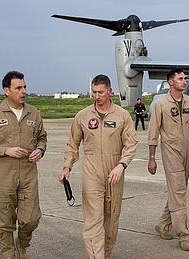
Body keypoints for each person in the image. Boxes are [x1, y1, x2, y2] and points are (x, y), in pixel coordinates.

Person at [58, 74, 138, 259]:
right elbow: (72, 144)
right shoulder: (83, 116)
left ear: (110, 91)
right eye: (94, 92)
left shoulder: (122, 115)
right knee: (93, 221)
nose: (97, 96)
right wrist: (67, 167)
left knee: (111, 220)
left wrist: (121, 165)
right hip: (92, 173)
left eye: (101, 92)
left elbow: (131, 143)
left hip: (114, 172)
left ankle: (106, 254)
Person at [0, 71, 47, 259]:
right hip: (3, 177)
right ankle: (8, 255)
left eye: (24, 87)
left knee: (31, 219)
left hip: (28, 175)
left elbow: (42, 138)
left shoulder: (34, 113)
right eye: (18, 88)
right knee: (5, 222)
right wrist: (6, 150)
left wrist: (40, 150)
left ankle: (22, 247)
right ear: (6, 90)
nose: (23, 91)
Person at [147, 68, 189, 251]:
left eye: (185, 79)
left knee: (178, 191)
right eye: (181, 79)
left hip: (187, 149)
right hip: (170, 150)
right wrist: (152, 158)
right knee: (178, 191)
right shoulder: (160, 104)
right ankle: (183, 234)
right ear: (171, 82)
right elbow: (152, 133)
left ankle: (163, 224)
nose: (184, 82)